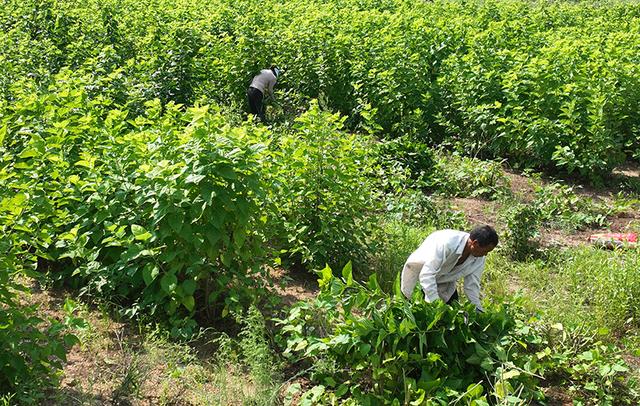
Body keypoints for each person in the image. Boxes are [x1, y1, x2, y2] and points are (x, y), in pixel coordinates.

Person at [400, 225, 498, 312]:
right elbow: (427, 274)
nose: (485, 254)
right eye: (485, 251)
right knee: (416, 311)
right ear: (475, 243)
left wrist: (478, 309)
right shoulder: (448, 243)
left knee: (450, 315)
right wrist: (435, 303)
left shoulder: (479, 258)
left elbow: (471, 286)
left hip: (445, 280)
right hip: (419, 275)